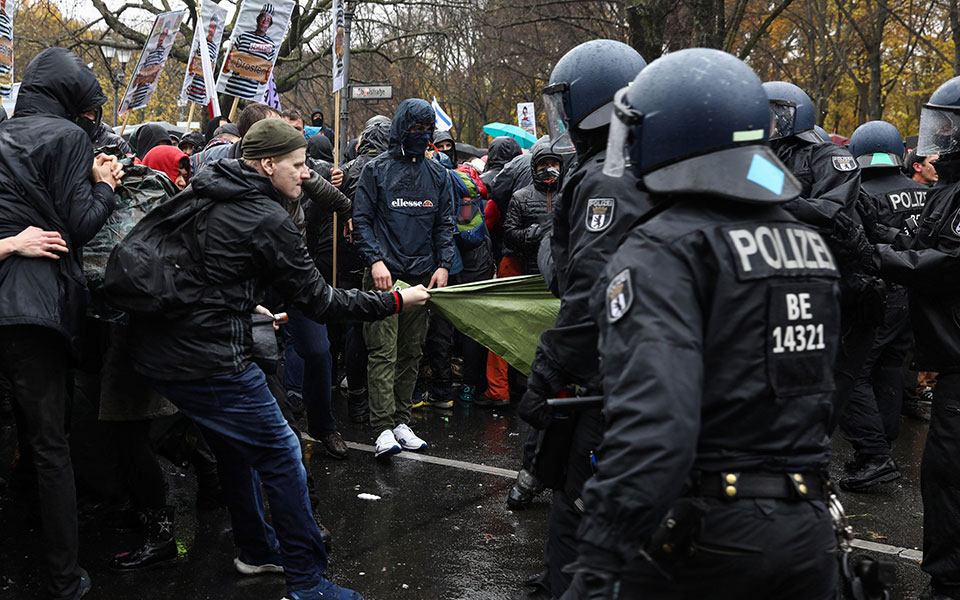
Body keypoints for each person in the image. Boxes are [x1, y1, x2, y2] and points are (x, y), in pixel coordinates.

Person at [561, 48, 841, 600]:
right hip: (811, 534)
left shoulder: (664, 249)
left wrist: (597, 560)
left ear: (669, 136)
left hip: (707, 538)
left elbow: (655, 429)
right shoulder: (808, 244)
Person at [123, 118, 430, 600]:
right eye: (298, 164)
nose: (306, 174)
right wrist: (396, 301)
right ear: (268, 164)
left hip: (161, 352)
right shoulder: (267, 217)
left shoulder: (209, 189)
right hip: (210, 358)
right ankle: (308, 583)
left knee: (232, 447)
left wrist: (244, 301)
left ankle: (256, 549)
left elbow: (203, 266)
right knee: (283, 453)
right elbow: (323, 303)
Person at [510, 40, 648, 600]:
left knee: (583, 502)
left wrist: (546, 371)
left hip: (609, 376)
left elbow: (588, 288)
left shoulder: (607, 175)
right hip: (640, 369)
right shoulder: (636, 159)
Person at [0, 47, 122, 600]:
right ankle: (64, 579)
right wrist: (105, 187)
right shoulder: (68, 138)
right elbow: (78, 227)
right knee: (50, 442)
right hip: (36, 313)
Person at [844, 74, 960, 600]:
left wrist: (871, 253)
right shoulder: (945, 188)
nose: (940, 137)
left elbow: (943, 262)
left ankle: (949, 582)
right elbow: (919, 241)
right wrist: (870, 229)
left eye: (949, 127)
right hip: (942, 351)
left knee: (948, 482)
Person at [764, 81, 875, 436]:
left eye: (773, 115)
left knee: (828, 386)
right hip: (789, 282)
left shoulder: (830, 156)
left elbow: (829, 210)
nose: (765, 123)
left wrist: (773, 203)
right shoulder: (765, 158)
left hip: (843, 284)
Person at [352, 98, 456, 458]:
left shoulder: (439, 175)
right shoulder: (376, 170)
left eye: (427, 130)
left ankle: (400, 418)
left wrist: (444, 264)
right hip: (385, 277)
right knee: (383, 352)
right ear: (400, 130)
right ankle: (381, 427)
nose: (421, 136)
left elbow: (445, 223)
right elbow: (361, 220)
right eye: (414, 130)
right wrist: (376, 261)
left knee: (411, 353)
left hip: (421, 278)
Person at [839, 120, 929, 492]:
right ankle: (883, 443)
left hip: (879, 295)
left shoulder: (859, 192)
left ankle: (874, 454)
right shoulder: (925, 191)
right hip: (916, 293)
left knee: (850, 373)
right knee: (891, 366)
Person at [502, 136, 563, 277]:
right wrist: (528, 235)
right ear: (535, 168)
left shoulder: (569, 194)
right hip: (530, 273)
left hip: (563, 272)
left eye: (554, 164)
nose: (549, 168)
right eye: (544, 164)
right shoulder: (520, 197)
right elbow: (508, 236)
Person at [223, 4, 277, 99]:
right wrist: (228, 61)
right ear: (258, 19)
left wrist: (265, 76)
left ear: (270, 24)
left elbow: (264, 79)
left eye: (268, 20)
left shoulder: (271, 46)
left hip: (249, 94)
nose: (264, 22)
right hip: (230, 90)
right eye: (263, 18)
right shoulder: (243, 37)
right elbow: (226, 66)